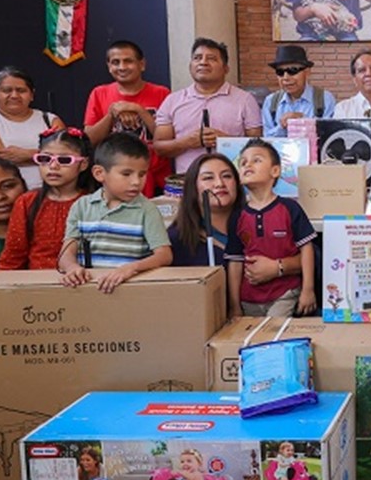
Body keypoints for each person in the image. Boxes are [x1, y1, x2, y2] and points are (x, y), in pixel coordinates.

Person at [58, 133, 173, 293]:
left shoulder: (147, 209)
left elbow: (164, 255)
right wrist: (72, 268)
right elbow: (66, 252)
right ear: (99, 173)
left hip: (131, 293)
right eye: (126, 174)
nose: (136, 182)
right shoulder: (81, 206)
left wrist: (131, 268)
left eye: (142, 174)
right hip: (89, 291)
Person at [226, 139, 318, 317]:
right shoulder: (237, 216)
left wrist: (308, 289)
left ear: (275, 171)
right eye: (243, 162)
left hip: (285, 294)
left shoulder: (290, 208)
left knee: (273, 337)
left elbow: (307, 249)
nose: (248, 165)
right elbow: (235, 262)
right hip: (248, 298)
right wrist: (235, 305)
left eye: (257, 160)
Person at [154, 38, 263, 174]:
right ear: (190, 65)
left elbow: (259, 145)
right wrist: (186, 142)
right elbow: (159, 147)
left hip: (233, 180)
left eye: (211, 58)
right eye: (197, 58)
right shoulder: (173, 101)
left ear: (226, 68)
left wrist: (225, 142)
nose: (203, 62)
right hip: (187, 181)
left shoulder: (245, 100)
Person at [83, 41, 172, 196]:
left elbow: (167, 139)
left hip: (156, 177)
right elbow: (88, 140)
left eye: (128, 61)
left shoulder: (162, 93)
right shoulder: (99, 93)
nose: (122, 67)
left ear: (142, 64)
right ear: (109, 66)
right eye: (115, 62)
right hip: (114, 179)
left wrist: (139, 111)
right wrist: (112, 114)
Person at [0, 129, 94, 270]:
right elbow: (13, 257)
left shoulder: (94, 202)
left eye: (64, 160)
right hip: (37, 285)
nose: (53, 166)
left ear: (83, 164)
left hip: (83, 281)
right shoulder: (26, 202)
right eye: (45, 159)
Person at [0, 67, 63, 189]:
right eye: (6, 90)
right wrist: (45, 156)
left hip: (50, 191)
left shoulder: (49, 119)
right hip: (5, 195)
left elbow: (65, 155)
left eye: (21, 90)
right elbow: (1, 160)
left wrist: (27, 154)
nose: (14, 95)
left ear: (32, 94)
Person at [168, 153, 243, 268]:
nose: (219, 184)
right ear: (193, 187)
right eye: (208, 178)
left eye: (227, 176)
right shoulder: (176, 239)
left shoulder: (257, 225)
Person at [262, 45, 337, 137]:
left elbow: (330, 135)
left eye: (293, 70)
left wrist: (304, 122)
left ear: (307, 72)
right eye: (280, 72)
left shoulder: (325, 99)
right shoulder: (271, 102)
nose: (286, 77)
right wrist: (282, 127)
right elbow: (267, 139)